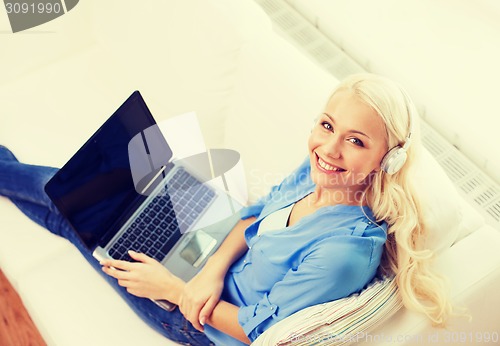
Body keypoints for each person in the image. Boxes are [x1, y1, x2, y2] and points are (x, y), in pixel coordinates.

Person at [0, 73, 452, 345]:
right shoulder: (319, 172)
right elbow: (254, 215)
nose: (329, 148)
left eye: (356, 141)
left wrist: (176, 289)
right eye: (327, 125)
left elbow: (260, 333)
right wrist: (214, 266)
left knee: (72, 207)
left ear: (387, 158)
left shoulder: (343, 253)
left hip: (195, 317)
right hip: (212, 249)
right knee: (96, 186)